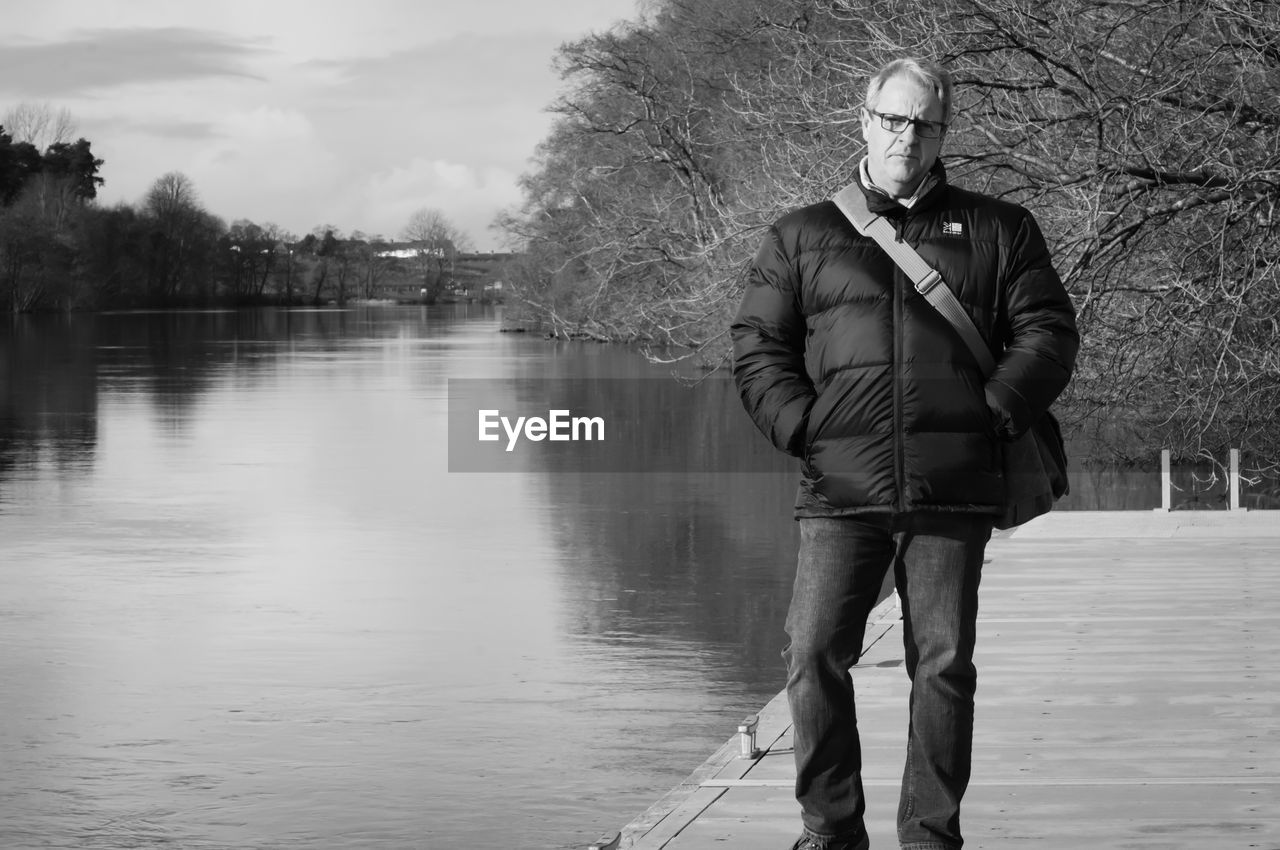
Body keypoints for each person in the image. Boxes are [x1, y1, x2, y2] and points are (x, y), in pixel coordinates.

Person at [730, 58, 1079, 850]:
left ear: (943, 133)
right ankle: (831, 832)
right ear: (864, 122)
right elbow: (758, 344)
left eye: (922, 122)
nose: (906, 136)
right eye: (893, 119)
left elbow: (1049, 333)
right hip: (838, 486)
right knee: (812, 655)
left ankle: (928, 837)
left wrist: (990, 414)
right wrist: (801, 427)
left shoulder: (1000, 227)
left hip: (952, 485)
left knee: (943, 668)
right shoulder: (803, 232)